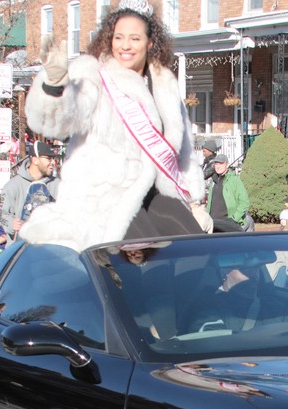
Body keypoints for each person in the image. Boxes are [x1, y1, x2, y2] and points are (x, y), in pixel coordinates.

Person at [23, 0, 204, 248]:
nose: (125, 46)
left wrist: (194, 201)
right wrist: (54, 85)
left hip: (158, 195)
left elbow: (182, 152)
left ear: (150, 42)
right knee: (142, 257)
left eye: (134, 38)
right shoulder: (94, 74)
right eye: (119, 38)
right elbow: (61, 120)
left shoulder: (165, 84)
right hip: (105, 199)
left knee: (196, 249)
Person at [206, 154, 250, 232]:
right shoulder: (213, 181)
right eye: (216, 164)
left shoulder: (234, 181)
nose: (218, 166)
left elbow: (244, 202)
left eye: (221, 164)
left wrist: (234, 219)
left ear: (227, 164)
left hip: (228, 225)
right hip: (213, 224)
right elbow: (209, 204)